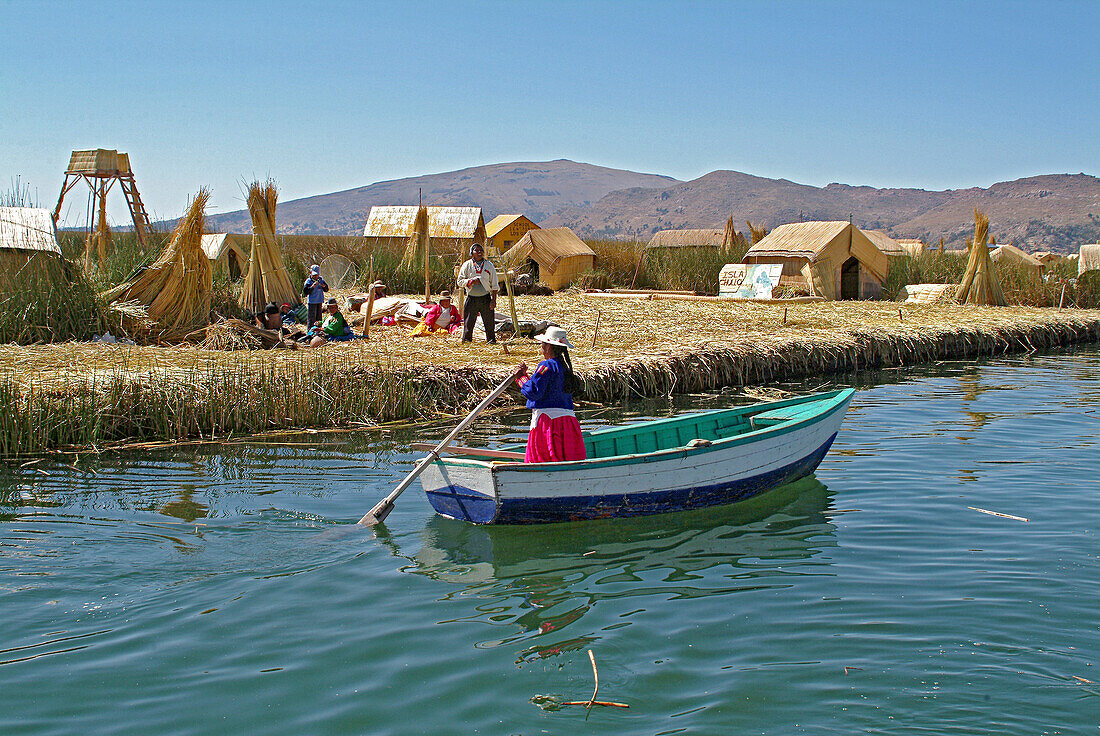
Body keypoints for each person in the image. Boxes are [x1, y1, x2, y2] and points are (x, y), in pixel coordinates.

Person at [513, 326, 587, 463]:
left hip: (548, 423)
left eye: (542, 345)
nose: (541, 349)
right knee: (567, 459)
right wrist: (528, 377)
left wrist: (520, 378)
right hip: (568, 422)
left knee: (543, 459)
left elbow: (533, 391)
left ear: (548, 347)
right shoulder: (565, 368)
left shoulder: (546, 366)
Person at [457, 243, 498, 343]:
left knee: (489, 322)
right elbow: (460, 281)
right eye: (476, 250)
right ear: (472, 253)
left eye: (481, 250)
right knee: (469, 321)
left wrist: (493, 300)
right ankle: (466, 341)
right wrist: (471, 281)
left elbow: (495, 284)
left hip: (485, 298)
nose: (479, 252)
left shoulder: (489, 265)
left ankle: (491, 341)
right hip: (472, 298)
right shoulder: (467, 265)